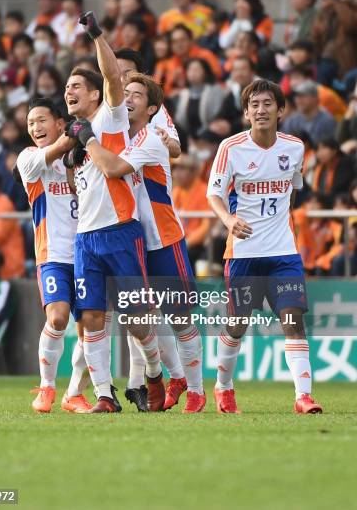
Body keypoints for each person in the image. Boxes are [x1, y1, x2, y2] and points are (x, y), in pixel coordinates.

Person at [77, 71, 206, 413]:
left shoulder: (151, 137)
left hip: (162, 238)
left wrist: (87, 140)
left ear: (152, 109)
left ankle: (195, 390)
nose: (128, 98)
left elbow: (114, 169)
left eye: (137, 95)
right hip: (130, 239)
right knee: (137, 316)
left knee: (179, 317)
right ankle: (167, 376)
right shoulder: (117, 135)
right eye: (126, 93)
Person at [64, 12, 165, 413]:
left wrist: (95, 33)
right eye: (66, 87)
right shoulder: (75, 138)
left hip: (121, 232)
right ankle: (104, 395)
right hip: (86, 239)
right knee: (91, 318)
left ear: (94, 95)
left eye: (76, 87)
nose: (69, 92)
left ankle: (154, 375)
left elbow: (110, 77)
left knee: (138, 320)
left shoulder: (110, 118)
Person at [207, 79, 323, 414]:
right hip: (242, 253)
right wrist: (229, 221)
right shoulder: (231, 148)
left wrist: (281, 223)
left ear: (281, 110)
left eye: (268, 103)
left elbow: (294, 187)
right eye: (254, 105)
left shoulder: (295, 147)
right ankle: (224, 388)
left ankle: (303, 396)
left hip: (283, 253)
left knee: (293, 318)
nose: (261, 110)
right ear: (245, 113)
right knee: (237, 324)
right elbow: (213, 194)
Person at [17, 98, 93, 414]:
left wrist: (82, 143)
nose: (36, 128)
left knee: (91, 329)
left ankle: (74, 393)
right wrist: (76, 133)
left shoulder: (84, 156)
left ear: (59, 122)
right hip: (53, 254)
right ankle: (47, 386)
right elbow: (49, 155)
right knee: (58, 317)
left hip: (90, 253)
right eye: (31, 123)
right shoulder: (29, 158)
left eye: (41, 120)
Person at [115, 47, 181, 158]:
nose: (122, 79)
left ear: (139, 75)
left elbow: (176, 150)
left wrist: (158, 139)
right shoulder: (100, 102)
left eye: (127, 74)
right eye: (116, 74)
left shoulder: (151, 105)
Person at [173, 57, 241, 140]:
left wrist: (201, 133)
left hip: (210, 134)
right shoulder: (184, 93)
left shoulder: (215, 90)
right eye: (190, 70)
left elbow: (217, 117)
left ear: (205, 72)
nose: (192, 73)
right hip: (188, 138)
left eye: (196, 70)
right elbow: (180, 120)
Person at [154, 23, 221, 98]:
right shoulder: (170, 63)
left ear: (191, 40)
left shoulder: (206, 55)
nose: (179, 44)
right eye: (174, 41)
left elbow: (217, 77)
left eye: (182, 40)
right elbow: (166, 90)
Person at [172, 153, 212, 270]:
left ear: (194, 171)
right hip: (181, 241)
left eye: (182, 169)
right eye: (175, 169)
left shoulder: (205, 191)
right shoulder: (176, 191)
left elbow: (206, 227)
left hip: (200, 245)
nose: (177, 173)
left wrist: (188, 242)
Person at [312, 0, 357, 86]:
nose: (324, 2)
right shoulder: (324, 14)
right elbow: (316, 35)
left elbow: (350, 25)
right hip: (325, 57)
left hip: (344, 58)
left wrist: (340, 5)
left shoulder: (350, 9)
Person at [282, 80, 336, 145]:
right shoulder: (291, 120)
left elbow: (328, 148)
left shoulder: (327, 120)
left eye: (302, 96)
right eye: (297, 96)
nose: (298, 100)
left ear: (315, 98)